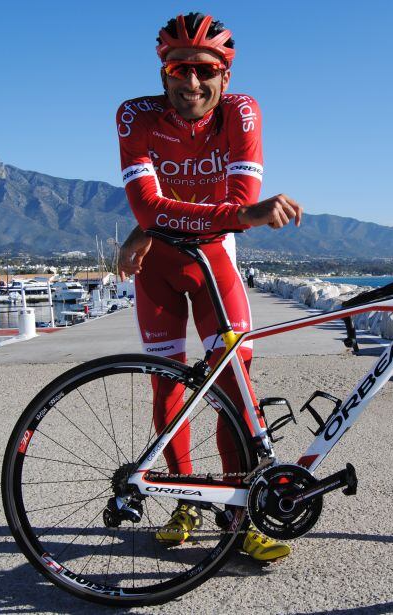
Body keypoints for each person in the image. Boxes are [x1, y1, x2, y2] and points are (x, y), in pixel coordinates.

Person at [116, 12, 302, 562]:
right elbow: (159, 206)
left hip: (212, 261)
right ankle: (183, 500)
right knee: (167, 387)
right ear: (163, 73)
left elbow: (233, 209)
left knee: (234, 384)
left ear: (224, 75)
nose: (190, 84)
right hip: (158, 267)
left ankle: (243, 512)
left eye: (204, 71)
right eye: (179, 69)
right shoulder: (135, 116)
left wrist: (152, 225)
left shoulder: (242, 111)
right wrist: (145, 226)